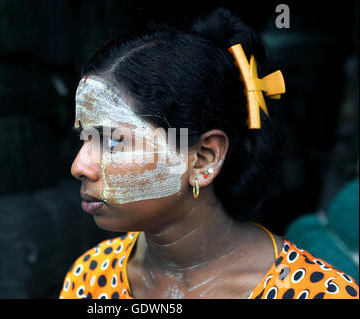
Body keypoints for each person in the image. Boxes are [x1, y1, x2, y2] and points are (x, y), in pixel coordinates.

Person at [60, 8, 359, 299]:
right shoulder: (91, 276)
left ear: (204, 158)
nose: (80, 166)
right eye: (84, 138)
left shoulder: (314, 293)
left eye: (113, 141)